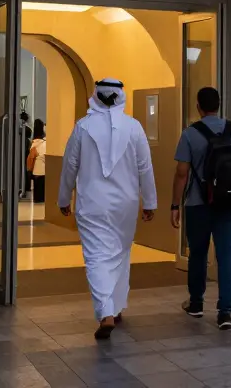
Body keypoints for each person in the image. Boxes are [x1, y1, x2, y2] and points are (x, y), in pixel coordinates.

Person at [58, 79, 158, 339]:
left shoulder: (82, 127)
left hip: (92, 203)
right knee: (120, 253)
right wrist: (149, 202)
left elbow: (70, 165)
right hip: (125, 204)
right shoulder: (134, 128)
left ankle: (105, 312)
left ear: (96, 96)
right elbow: (145, 167)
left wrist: (63, 198)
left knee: (96, 257)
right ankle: (116, 306)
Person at [171, 87, 231, 330]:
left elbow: (181, 173)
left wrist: (175, 205)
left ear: (198, 106)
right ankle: (225, 312)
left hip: (198, 204)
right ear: (219, 105)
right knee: (227, 256)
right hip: (229, 204)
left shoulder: (189, 134)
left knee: (198, 253)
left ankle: (196, 304)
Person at [27, 119, 48, 203]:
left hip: (38, 171)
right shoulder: (45, 143)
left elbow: (31, 158)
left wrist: (29, 169)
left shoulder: (35, 144)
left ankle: (38, 199)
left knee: (38, 194)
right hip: (45, 171)